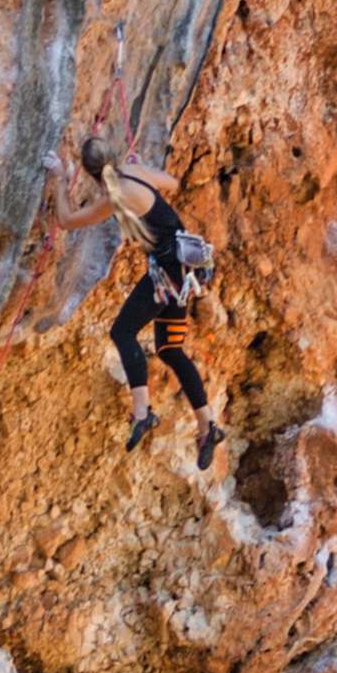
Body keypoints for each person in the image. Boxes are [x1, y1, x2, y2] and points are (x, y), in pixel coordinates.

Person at [70, 130, 221, 460]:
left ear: (90, 173)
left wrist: (56, 177)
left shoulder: (114, 197)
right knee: (170, 349)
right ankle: (207, 424)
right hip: (183, 269)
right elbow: (173, 184)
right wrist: (142, 168)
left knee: (122, 332)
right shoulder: (133, 172)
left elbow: (66, 221)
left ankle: (143, 413)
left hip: (167, 276)